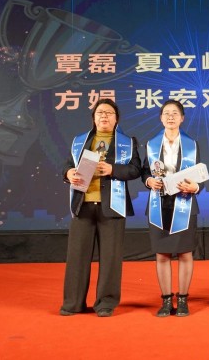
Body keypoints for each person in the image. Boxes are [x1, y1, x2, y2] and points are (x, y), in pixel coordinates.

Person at [61, 98, 141, 317]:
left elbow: (135, 170)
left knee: (111, 259)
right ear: (93, 118)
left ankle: (105, 303)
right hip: (83, 205)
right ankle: (73, 303)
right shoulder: (80, 141)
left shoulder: (127, 142)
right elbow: (67, 165)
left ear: (117, 119)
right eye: (100, 113)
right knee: (77, 257)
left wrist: (113, 169)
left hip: (112, 206)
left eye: (109, 113)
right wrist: (68, 173)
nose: (104, 116)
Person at [142, 100, 204, 317]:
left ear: (182, 118)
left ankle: (183, 299)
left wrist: (196, 187)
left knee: (185, 254)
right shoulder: (151, 145)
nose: (170, 117)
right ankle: (166, 300)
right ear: (161, 118)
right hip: (159, 205)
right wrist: (148, 181)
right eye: (166, 113)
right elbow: (145, 171)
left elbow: (200, 174)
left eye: (175, 113)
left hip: (184, 204)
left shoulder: (192, 145)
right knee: (162, 255)